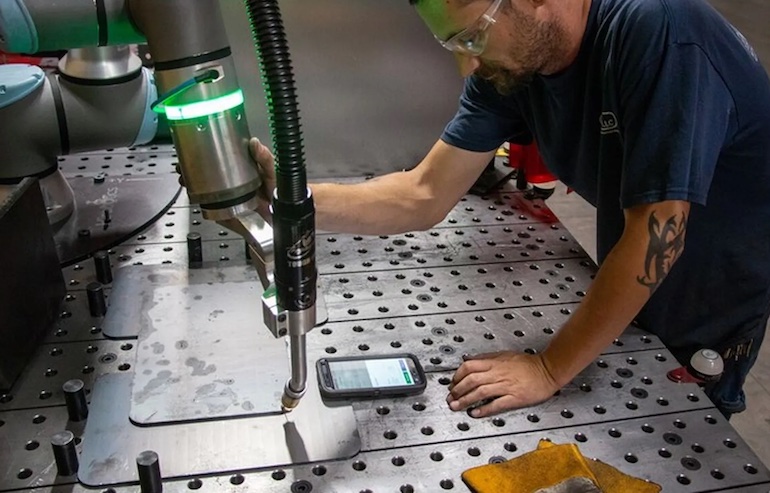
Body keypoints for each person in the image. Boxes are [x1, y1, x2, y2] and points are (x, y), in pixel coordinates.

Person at [249, 0, 770, 419]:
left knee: (679, 434)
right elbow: (423, 193)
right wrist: (288, 200)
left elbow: (659, 234)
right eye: (451, 43)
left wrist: (548, 369)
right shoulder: (514, 68)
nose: (465, 63)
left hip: (710, 293)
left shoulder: (660, 30)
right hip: (630, 272)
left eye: (472, 35)